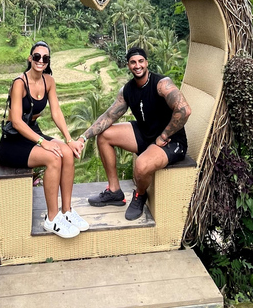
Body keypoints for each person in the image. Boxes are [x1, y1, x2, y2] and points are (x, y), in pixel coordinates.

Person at [79, 47, 191, 220]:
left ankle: (139, 195)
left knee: (140, 165)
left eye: (140, 61)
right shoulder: (127, 90)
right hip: (146, 134)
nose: (137, 65)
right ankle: (114, 191)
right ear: (128, 65)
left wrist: (163, 136)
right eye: (133, 62)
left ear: (146, 63)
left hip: (170, 141)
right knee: (104, 136)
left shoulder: (162, 84)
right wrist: (83, 137)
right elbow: (109, 116)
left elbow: (184, 110)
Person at [0, 41, 88, 238]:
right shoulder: (19, 83)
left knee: (67, 152)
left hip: (32, 134)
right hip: (13, 142)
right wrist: (43, 142)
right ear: (30, 58)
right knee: (53, 157)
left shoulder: (49, 81)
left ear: (48, 62)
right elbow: (16, 121)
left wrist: (68, 139)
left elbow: (56, 111)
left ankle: (67, 211)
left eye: (45, 58)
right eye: (37, 57)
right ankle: (52, 219)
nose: (40, 61)